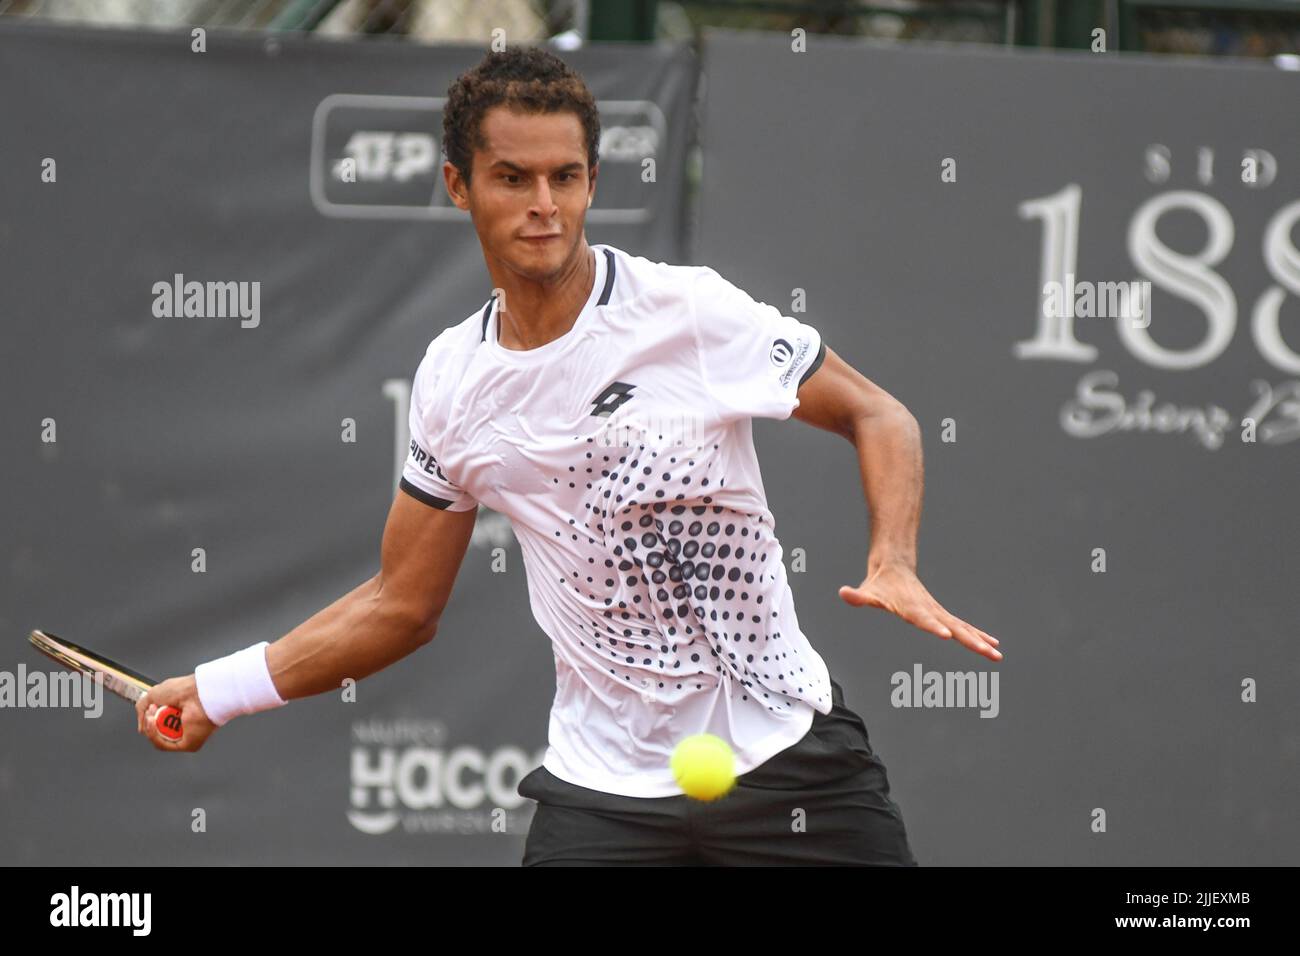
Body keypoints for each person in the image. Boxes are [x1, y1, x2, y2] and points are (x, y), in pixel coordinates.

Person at [138, 46, 1001, 866]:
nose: (543, 204)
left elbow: (877, 413)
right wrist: (217, 691)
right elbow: (401, 604)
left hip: (786, 758)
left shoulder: (689, 314)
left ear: (593, 182)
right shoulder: (453, 382)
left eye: (566, 176)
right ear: (458, 186)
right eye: (512, 178)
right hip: (603, 794)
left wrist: (893, 558)